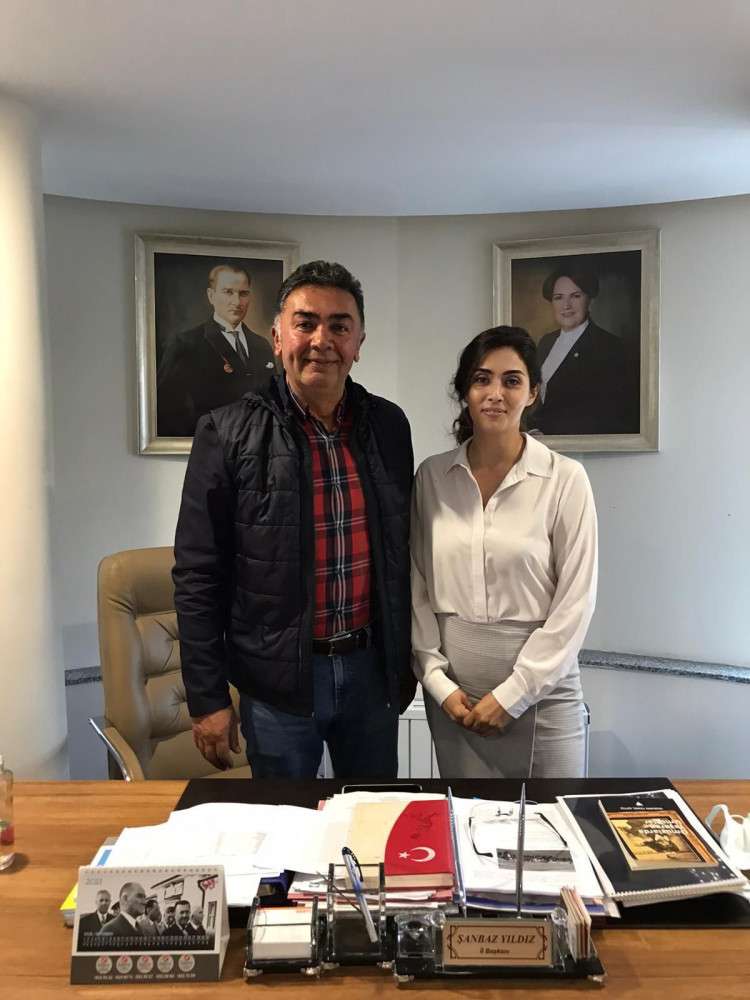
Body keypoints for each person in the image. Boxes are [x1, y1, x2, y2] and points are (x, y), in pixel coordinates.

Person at [174, 260, 415, 779]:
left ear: (359, 342)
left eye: (340, 326)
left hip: (372, 673)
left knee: (373, 819)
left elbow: (402, 552)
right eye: (306, 323)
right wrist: (207, 697)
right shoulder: (226, 432)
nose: (322, 340)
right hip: (278, 685)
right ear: (277, 336)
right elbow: (198, 574)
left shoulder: (390, 427)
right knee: (284, 823)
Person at [411, 326, 597, 778]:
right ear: (465, 390)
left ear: (532, 392)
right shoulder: (432, 477)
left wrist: (514, 695)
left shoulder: (565, 480)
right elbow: (416, 586)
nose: (495, 393)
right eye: (482, 379)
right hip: (456, 701)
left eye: (511, 380)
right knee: (469, 819)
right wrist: (436, 681)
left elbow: (575, 602)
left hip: (542, 696)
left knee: (555, 819)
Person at [157, 263, 277, 437]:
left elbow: (273, 404)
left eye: (243, 293)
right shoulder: (185, 344)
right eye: (228, 292)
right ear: (211, 296)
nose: (237, 302)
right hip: (210, 445)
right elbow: (167, 411)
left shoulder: (262, 345)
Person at [529, 266, 639, 435]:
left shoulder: (610, 347)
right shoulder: (546, 342)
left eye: (576, 296)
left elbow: (610, 414)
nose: (566, 305)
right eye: (559, 297)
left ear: (590, 301)